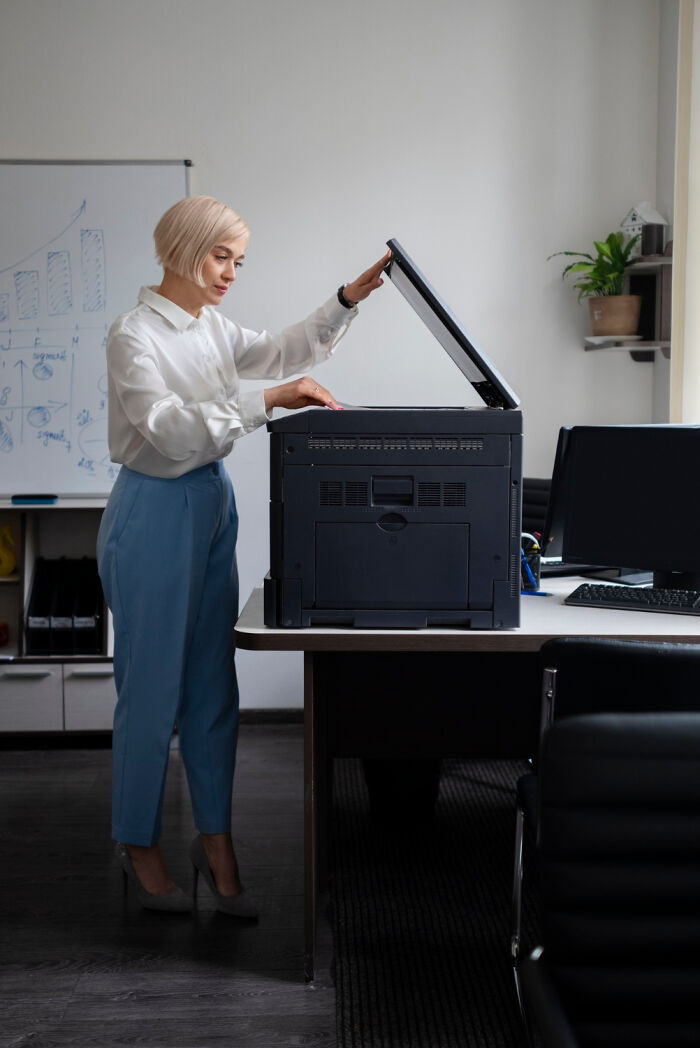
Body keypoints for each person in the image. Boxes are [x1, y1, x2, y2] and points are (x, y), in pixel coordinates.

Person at [97, 195, 389, 914]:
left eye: (239, 260)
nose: (231, 272)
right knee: (151, 692)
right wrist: (267, 404)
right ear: (181, 249)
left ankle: (215, 839)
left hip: (211, 501)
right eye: (221, 256)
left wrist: (347, 300)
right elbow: (167, 432)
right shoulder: (133, 335)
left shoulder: (212, 327)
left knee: (212, 688)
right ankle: (137, 842)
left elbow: (284, 351)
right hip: (154, 509)